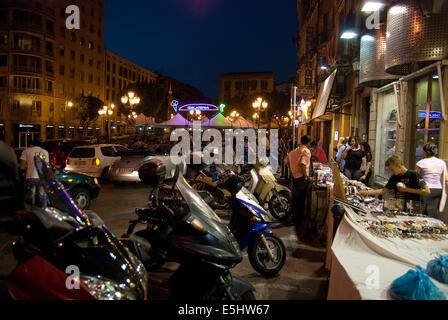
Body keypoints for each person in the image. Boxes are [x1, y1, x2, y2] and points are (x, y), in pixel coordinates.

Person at [359, 155, 430, 212]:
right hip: (399, 207)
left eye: (392, 169)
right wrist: (365, 192)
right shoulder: (394, 177)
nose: (391, 172)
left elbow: (427, 191)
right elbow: (383, 190)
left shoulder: (413, 175)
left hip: (413, 208)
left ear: (399, 166)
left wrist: (406, 189)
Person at [284, 135, 312, 226]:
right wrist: (305, 177)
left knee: (295, 198)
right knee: (301, 199)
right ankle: (298, 219)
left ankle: (294, 217)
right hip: (301, 178)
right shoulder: (306, 151)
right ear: (308, 142)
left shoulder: (294, 151)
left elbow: (286, 161)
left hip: (294, 177)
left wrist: (292, 169)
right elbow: (303, 164)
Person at [415, 142, 448, 217]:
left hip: (426, 189)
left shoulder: (421, 163)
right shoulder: (442, 162)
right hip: (438, 190)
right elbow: (446, 179)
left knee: (422, 212)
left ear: (424, 152)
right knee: (432, 213)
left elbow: (415, 177)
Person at [19, 139, 49, 207]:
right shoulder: (45, 152)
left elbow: (22, 167)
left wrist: (28, 165)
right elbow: (46, 167)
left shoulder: (26, 151)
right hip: (42, 178)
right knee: (42, 198)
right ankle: (43, 213)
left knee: (29, 198)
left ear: (31, 145)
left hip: (30, 176)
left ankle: (31, 213)